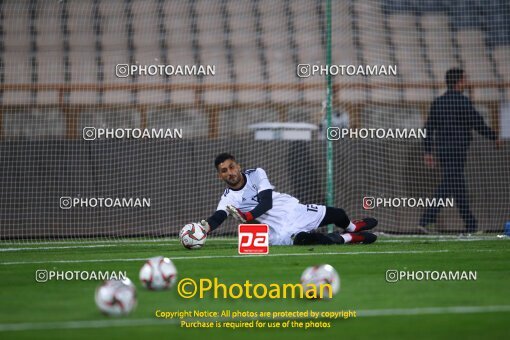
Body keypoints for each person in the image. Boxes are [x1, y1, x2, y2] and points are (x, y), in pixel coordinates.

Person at [198, 153, 378, 245]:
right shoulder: (228, 198)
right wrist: (202, 229)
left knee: (338, 214)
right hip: (278, 230)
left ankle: (353, 227)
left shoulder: (257, 174)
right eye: (224, 171)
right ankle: (350, 238)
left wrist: (247, 217)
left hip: (294, 211)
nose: (230, 173)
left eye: (231, 167)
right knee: (308, 240)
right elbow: (218, 217)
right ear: (219, 176)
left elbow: (266, 202)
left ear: (238, 166)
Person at [419, 68, 498, 234]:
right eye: (465, 79)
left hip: (442, 149)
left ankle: (471, 224)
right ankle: (426, 220)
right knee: (449, 184)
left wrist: (428, 151)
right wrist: (493, 136)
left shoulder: (438, 102)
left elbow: (428, 128)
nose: (467, 82)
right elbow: (477, 122)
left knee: (458, 186)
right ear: (459, 81)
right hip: (458, 149)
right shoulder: (463, 102)